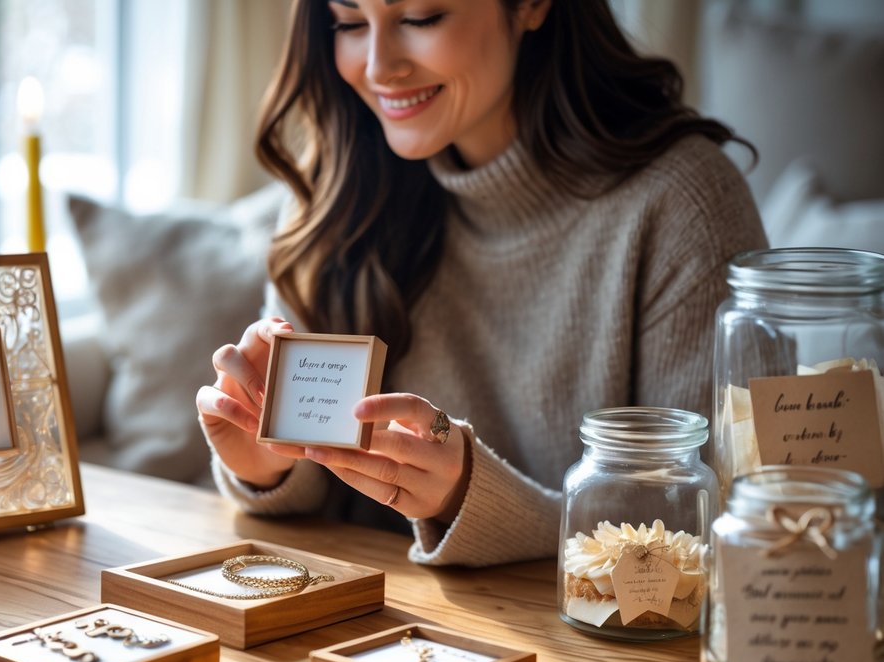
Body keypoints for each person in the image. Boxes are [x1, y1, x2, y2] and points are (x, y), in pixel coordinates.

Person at [195, 0, 766, 568]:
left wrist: (470, 497)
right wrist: (266, 464)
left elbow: (699, 538)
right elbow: (311, 500)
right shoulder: (333, 183)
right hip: (361, 627)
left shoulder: (684, 204)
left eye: (419, 19)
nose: (376, 67)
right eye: (349, 23)